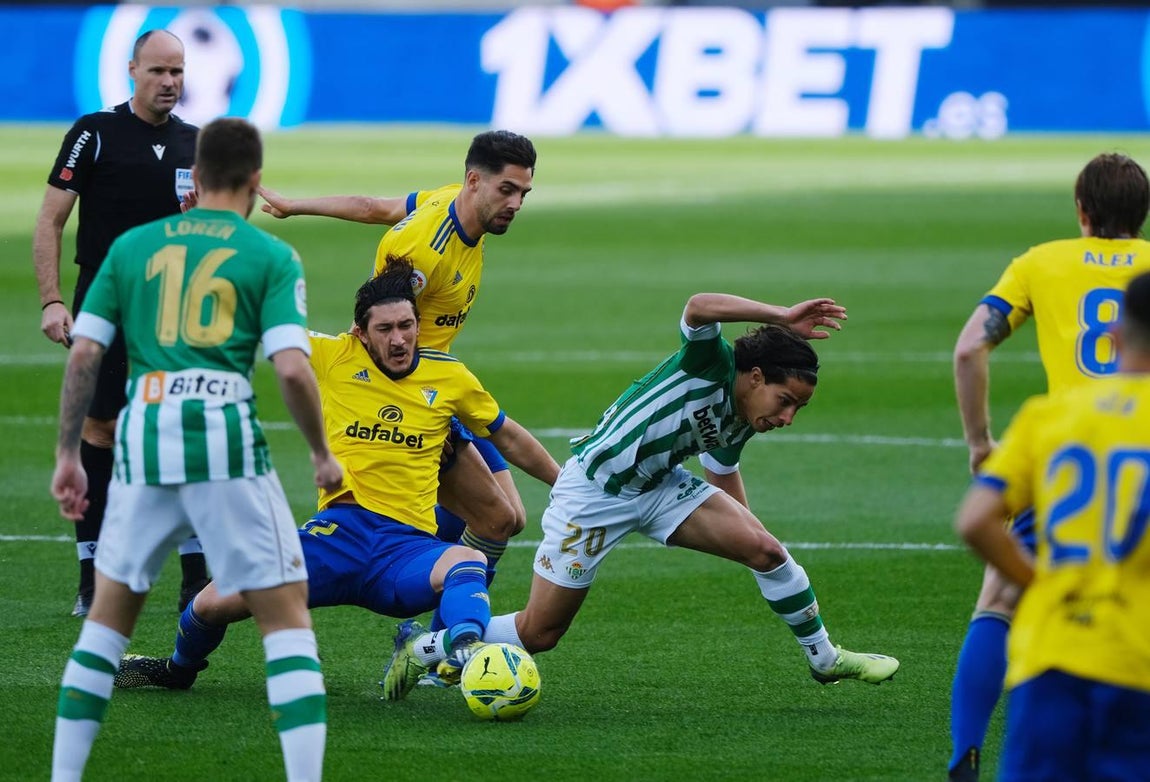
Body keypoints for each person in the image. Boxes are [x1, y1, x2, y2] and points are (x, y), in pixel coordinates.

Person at [381, 291, 901, 699]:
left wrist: (749, 541)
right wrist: (782, 314)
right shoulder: (710, 364)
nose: (786, 418)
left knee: (767, 550)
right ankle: (427, 646)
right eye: (785, 401)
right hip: (593, 493)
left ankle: (824, 658)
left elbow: (723, 474)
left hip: (658, 487)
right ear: (756, 376)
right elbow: (699, 306)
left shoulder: (747, 417)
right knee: (540, 633)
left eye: (797, 410)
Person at [111, 257, 560, 692]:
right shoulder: (332, 357)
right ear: (361, 333)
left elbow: (510, 438)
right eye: (385, 329)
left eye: (406, 326)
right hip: (333, 539)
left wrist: (562, 485)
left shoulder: (451, 378)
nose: (399, 339)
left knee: (469, 561)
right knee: (210, 603)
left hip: (403, 553)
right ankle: (177, 670)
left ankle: (449, 650)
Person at [49, 117, 341, 782]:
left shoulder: (132, 247)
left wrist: (69, 455)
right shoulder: (270, 256)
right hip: (224, 440)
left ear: (196, 177)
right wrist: (321, 453)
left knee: (105, 625)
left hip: (142, 439)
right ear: (255, 181)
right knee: (287, 616)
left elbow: (86, 353)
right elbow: (294, 370)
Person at [257, 131, 537, 589]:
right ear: (474, 181)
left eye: (523, 193)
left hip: (438, 383)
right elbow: (380, 328)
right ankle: (433, 628)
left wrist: (295, 205)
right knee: (498, 520)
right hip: (419, 394)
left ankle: (430, 597)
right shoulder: (424, 255)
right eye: (507, 190)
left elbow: (374, 208)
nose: (516, 204)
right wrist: (418, 425)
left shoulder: (450, 200)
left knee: (507, 518)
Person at [948, 152, 1150, 781]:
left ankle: (965, 753)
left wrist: (981, 443)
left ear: (1081, 212)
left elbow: (970, 347)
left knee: (999, 600)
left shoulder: (1040, 260)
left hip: (1065, 452)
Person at [34, 29, 208, 617]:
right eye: (159, 71)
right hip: (104, 304)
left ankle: (195, 576)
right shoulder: (94, 134)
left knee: (182, 434)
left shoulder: (196, 143)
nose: (170, 82)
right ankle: (92, 573)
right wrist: (53, 300)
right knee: (101, 431)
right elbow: (51, 220)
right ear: (133, 70)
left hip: (177, 311)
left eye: (178, 72)